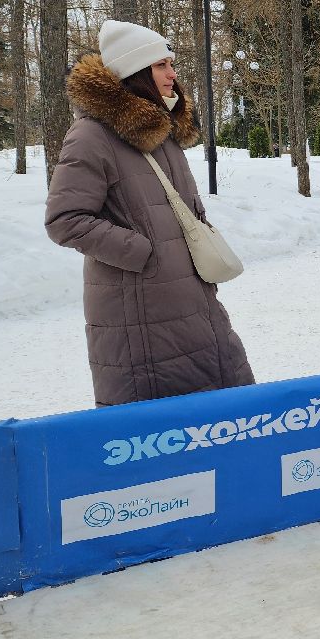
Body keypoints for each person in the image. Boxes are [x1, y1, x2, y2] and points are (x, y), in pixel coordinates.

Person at [44, 20, 254, 405]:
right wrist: (144, 252)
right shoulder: (92, 135)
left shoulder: (160, 131)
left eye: (171, 63)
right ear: (135, 73)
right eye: (161, 65)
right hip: (139, 314)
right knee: (159, 439)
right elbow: (65, 219)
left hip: (193, 301)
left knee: (227, 412)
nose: (173, 74)